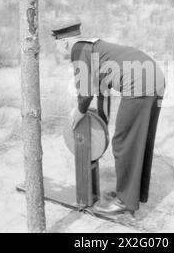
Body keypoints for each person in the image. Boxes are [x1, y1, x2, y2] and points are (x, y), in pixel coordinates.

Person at [52, 22, 165, 216]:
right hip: (155, 77)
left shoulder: (78, 50)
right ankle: (133, 193)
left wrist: (79, 113)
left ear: (63, 43)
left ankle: (124, 201)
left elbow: (85, 93)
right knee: (139, 140)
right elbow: (103, 93)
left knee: (123, 143)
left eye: (55, 44)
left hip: (140, 85)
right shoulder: (93, 47)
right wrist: (102, 128)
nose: (55, 49)